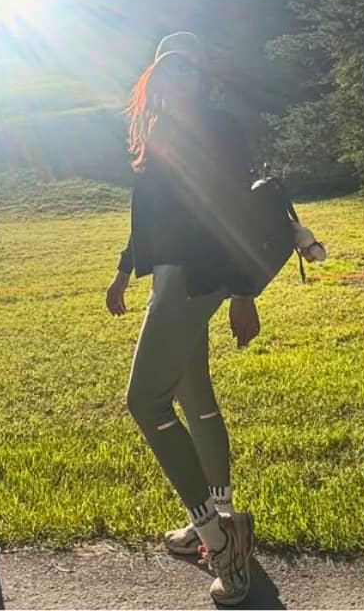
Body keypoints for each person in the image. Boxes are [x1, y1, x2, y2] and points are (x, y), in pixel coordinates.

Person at [105, 31, 260, 606]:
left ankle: (222, 545)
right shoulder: (154, 131)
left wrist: (245, 292)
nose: (180, 78)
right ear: (156, 75)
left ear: (202, 77)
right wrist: (124, 271)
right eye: (169, 67)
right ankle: (216, 517)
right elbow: (146, 220)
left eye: (189, 69)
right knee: (197, 398)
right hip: (171, 276)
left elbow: (237, 213)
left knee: (144, 400)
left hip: (198, 279)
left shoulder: (219, 129)